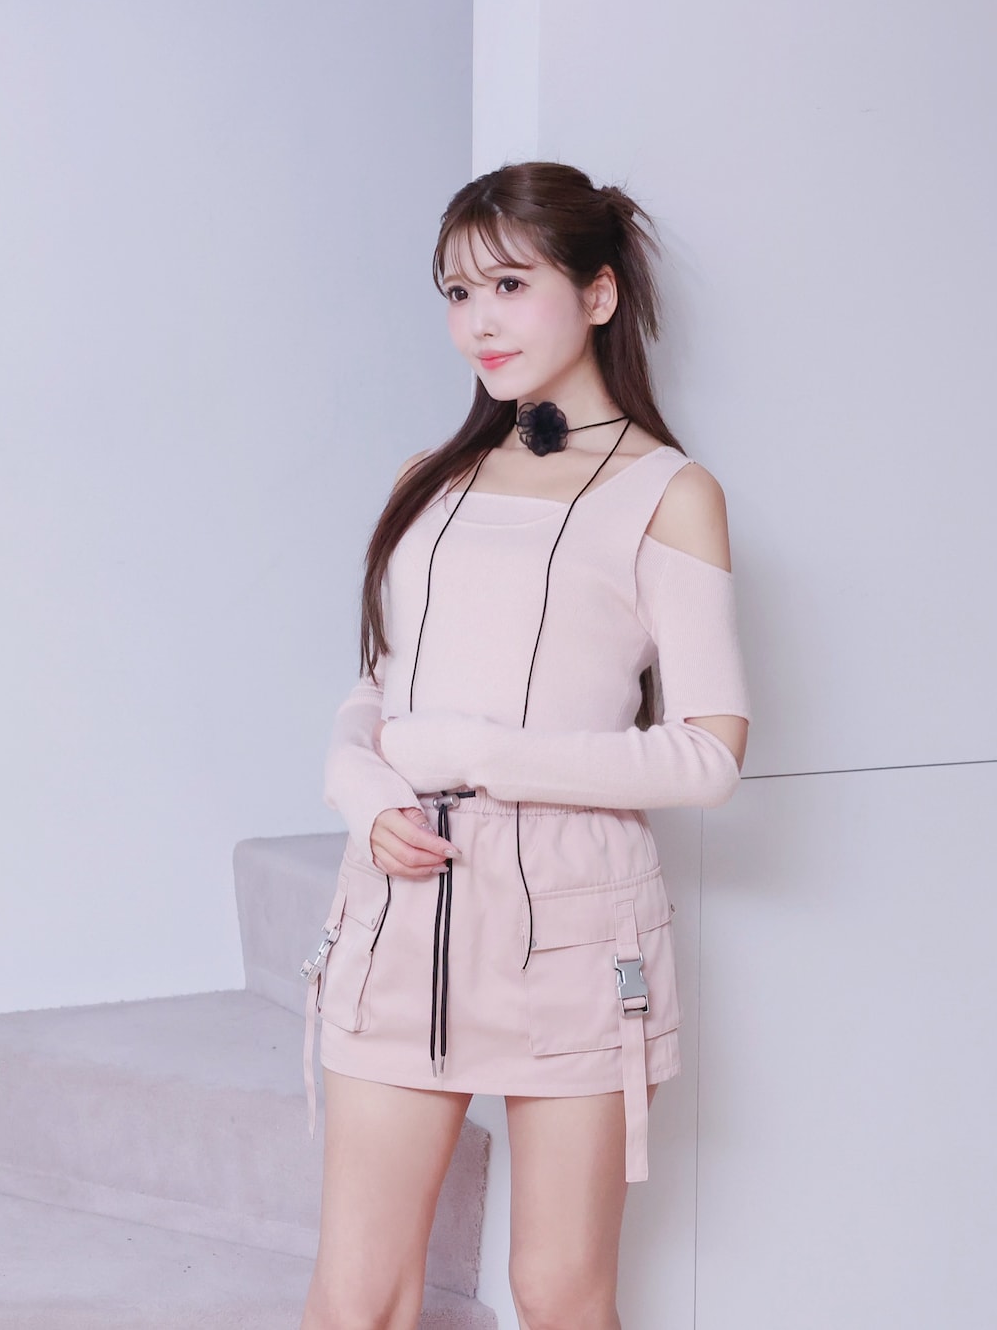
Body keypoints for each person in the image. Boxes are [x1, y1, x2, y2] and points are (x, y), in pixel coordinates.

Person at [300, 161, 750, 1330]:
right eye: (457, 292)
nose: (478, 322)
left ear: (597, 294)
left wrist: (477, 754)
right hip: (400, 905)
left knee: (558, 1294)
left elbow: (707, 752)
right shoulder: (426, 480)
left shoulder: (667, 490)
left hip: (576, 924)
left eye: (509, 284)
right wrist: (361, 788)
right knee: (356, 1298)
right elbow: (376, 690)